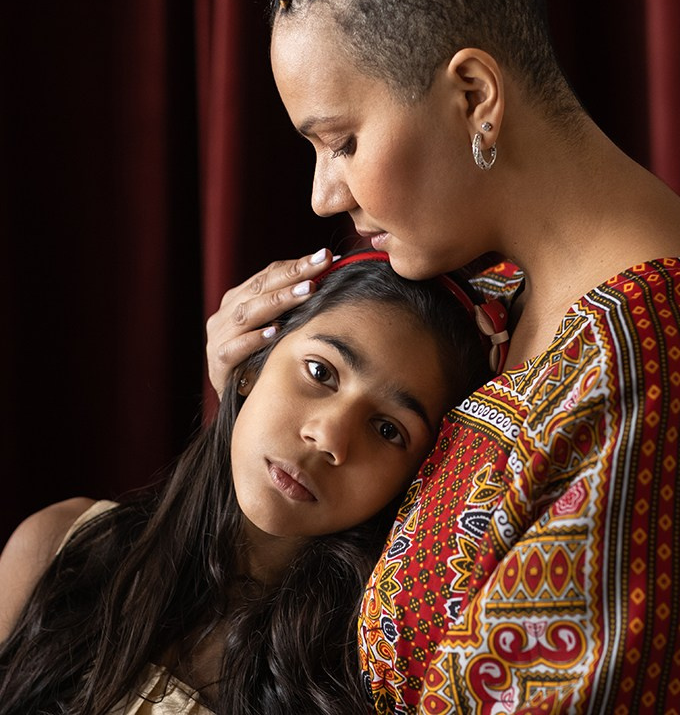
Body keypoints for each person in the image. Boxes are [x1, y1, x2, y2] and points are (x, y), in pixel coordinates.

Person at [205, 0, 680, 714]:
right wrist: (241, 410)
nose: (322, 194)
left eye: (342, 142)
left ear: (474, 93)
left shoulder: (656, 358)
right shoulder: (495, 297)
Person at [0, 252, 496, 715]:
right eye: (320, 372)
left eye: (388, 430)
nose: (329, 438)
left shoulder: (369, 680)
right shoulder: (57, 546)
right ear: (251, 367)